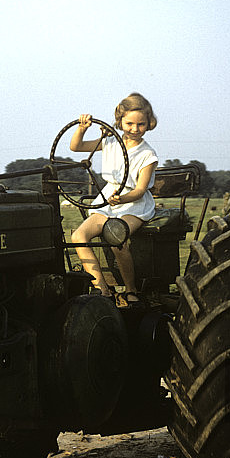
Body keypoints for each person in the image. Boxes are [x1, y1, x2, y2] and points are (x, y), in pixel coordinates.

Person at [69, 92, 159, 306]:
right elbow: (76, 147)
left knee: (116, 235)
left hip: (134, 204)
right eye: (129, 123)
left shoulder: (148, 155)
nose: (135, 129)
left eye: (141, 124)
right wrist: (82, 128)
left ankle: (130, 289)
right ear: (120, 121)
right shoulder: (109, 142)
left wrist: (122, 198)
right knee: (78, 236)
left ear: (149, 124)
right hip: (109, 200)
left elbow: (139, 190)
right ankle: (102, 287)